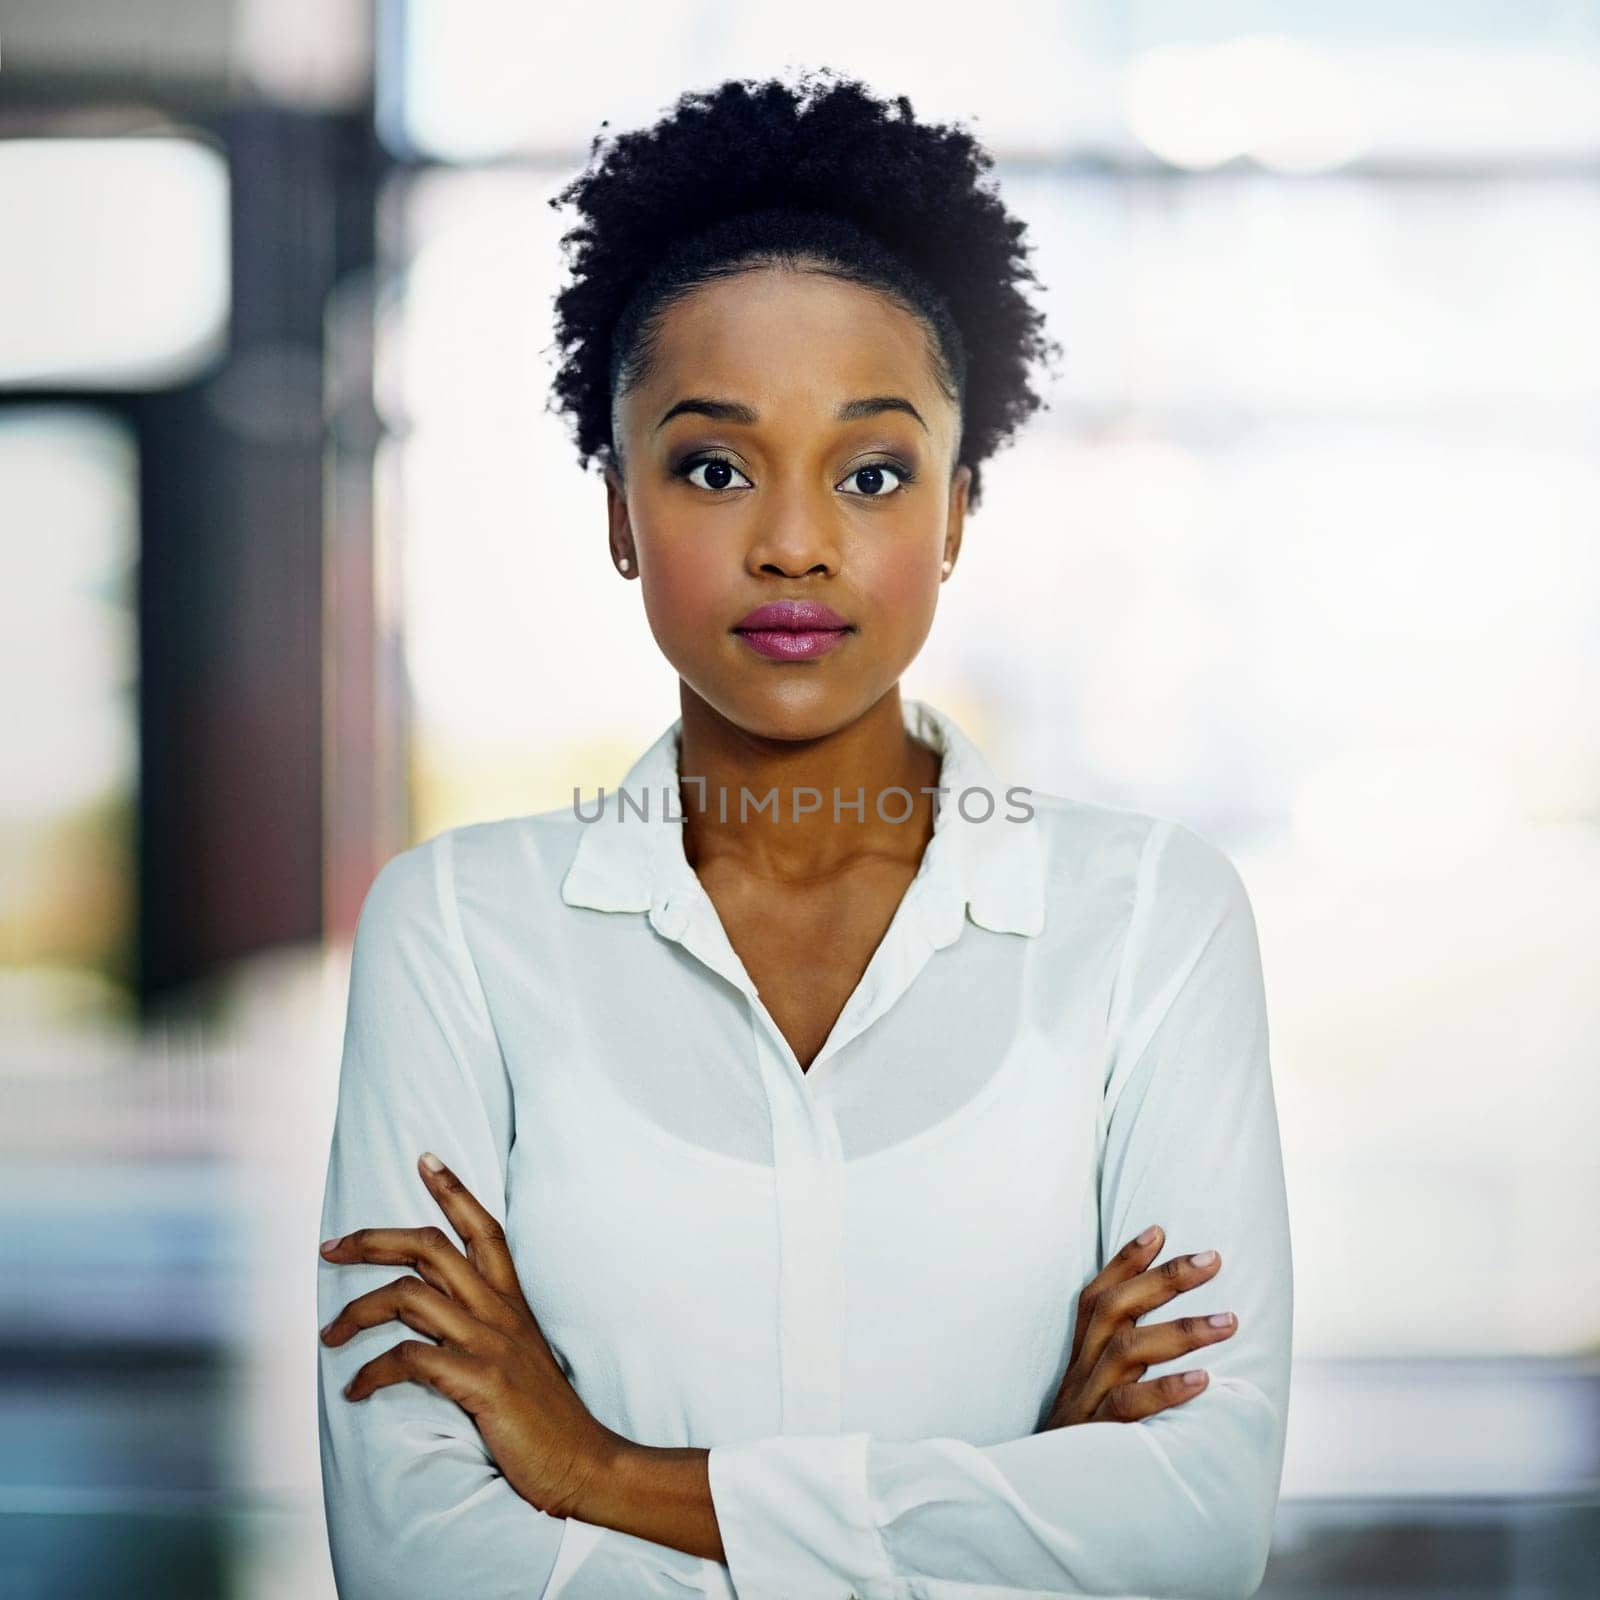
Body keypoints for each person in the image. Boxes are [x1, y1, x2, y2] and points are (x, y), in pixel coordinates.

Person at [315, 69, 1293, 1600]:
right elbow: (422, 1560)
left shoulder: (1152, 919)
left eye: (874, 470)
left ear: (958, 511)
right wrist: (1017, 1502)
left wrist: (601, 1476)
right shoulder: (456, 930)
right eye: (712, 465)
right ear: (621, 510)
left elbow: (1190, 1532)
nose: (792, 537)